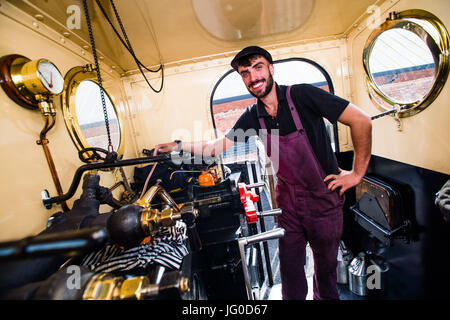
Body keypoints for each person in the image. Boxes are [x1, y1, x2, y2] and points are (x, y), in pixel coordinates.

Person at [154, 46, 372, 300]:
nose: (253, 77)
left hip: (324, 201)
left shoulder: (302, 95)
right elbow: (214, 148)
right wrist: (177, 146)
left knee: (325, 273)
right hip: (289, 205)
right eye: (245, 73)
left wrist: (357, 174)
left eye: (258, 67)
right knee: (290, 270)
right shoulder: (251, 117)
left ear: (271, 68)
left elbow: (361, 120)